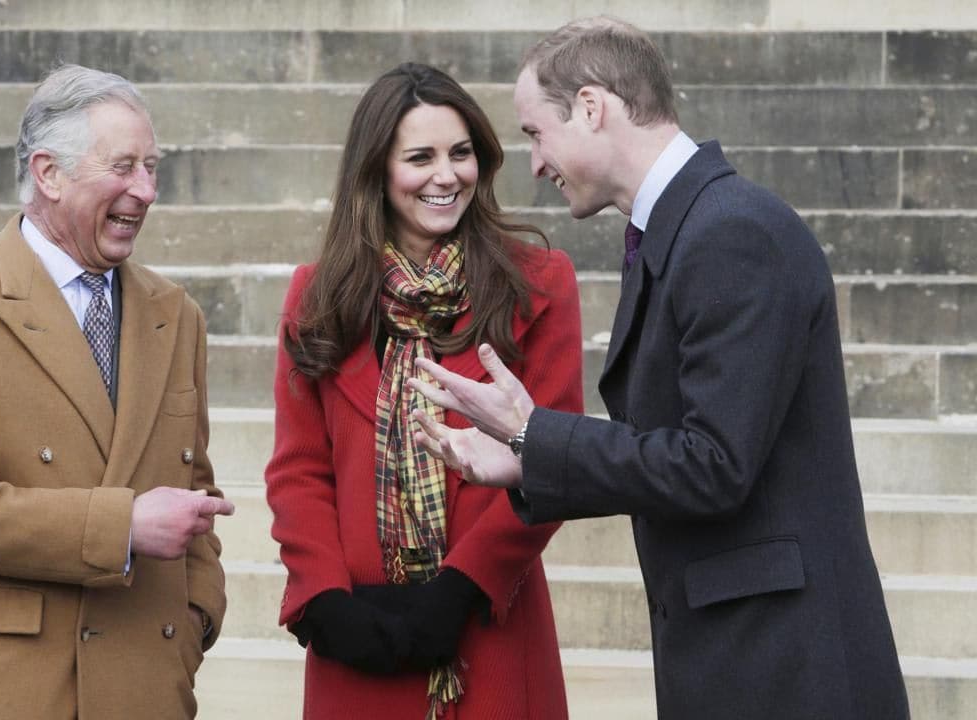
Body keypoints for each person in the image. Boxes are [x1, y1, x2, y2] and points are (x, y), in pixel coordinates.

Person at [409, 17, 910, 720]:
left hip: (786, 670)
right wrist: (528, 460)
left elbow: (713, 465)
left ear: (591, 107)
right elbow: (673, 452)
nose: (535, 164)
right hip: (741, 657)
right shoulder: (689, 227)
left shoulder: (730, 231)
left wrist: (537, 435)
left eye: (533, 133)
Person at [0, 64, 234, 720]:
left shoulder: (176, 315)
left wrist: (195, 618)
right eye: (124, 166)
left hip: (141, 686)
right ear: (48, 173)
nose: (146, 191)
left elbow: (194, 490)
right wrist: (123, 524)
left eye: (153, 167)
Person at [264, 62, 583, 719]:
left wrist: (461, 588)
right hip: (358, 638)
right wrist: (323, 600)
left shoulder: (541, 283)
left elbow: (555, 458)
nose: (447, 175)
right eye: (421, 157)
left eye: (461, 153)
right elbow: (299, 470)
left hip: (487, 626)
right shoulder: (315, 297)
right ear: (377, 169)